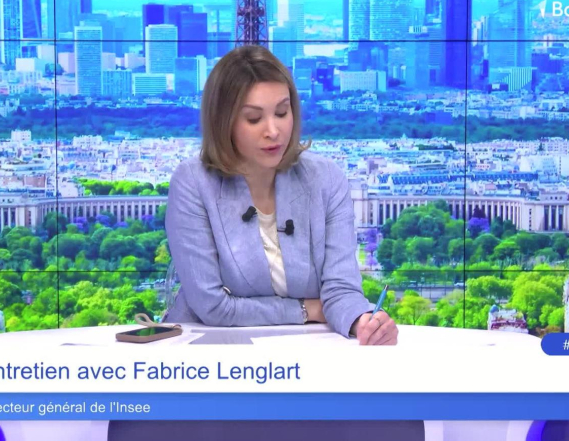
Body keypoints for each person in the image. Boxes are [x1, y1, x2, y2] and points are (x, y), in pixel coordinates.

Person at [163, 45, 398, 345]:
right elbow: (213, 306)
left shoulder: (326, 179)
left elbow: (340, 290)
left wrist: (361, 321)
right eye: (253, 118)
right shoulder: (193, 183)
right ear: (223, 122)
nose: (273, 131)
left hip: (305, 352)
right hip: (207, 353)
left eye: (282, 112)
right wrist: (306, 309)